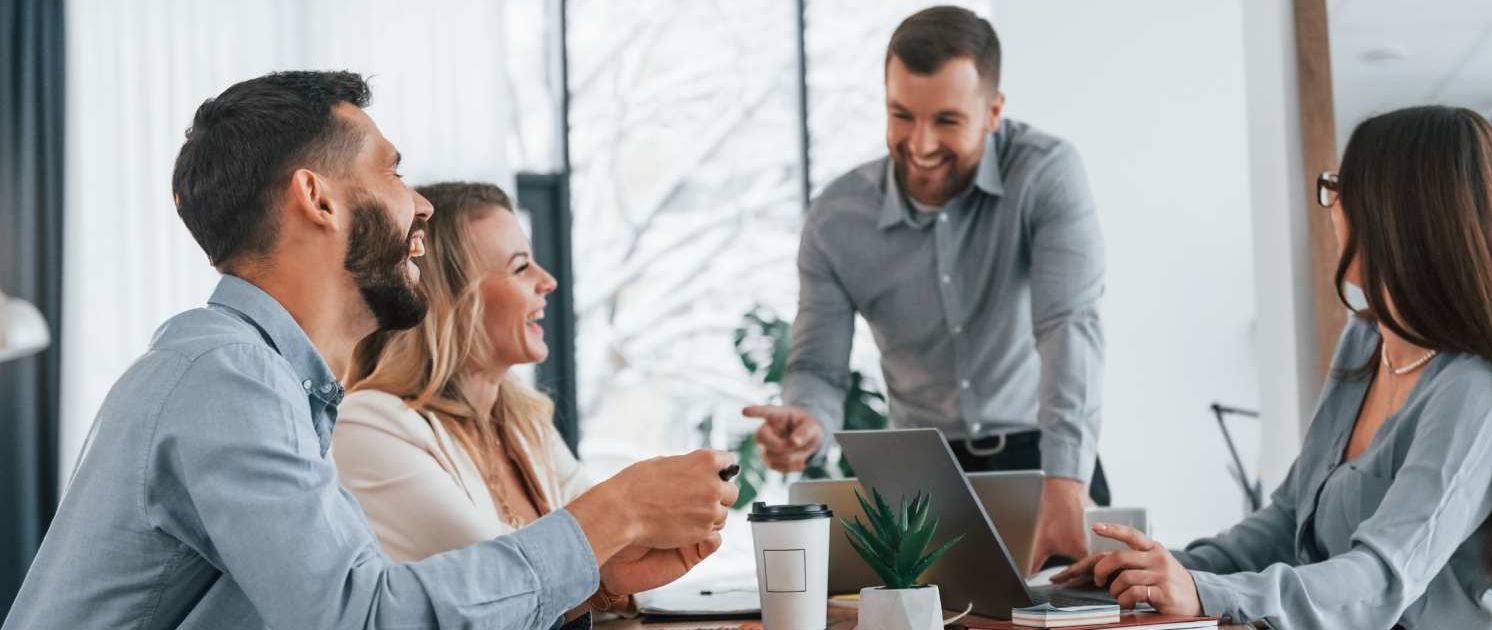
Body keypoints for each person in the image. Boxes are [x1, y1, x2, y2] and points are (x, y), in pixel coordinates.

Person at [2, 71, 738, 630]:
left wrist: (596, 571)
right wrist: (611, 517)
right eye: (391, 170)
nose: (420, 203)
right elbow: (360, 617)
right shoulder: (227, 374)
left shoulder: (271, 384)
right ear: (317, 199)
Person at [1050, 106, 1492, 629]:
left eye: (1339, 187)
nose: (1331, 205)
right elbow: (1289, 517)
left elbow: (1382, 578)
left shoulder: (1471, 389)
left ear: (1393, 213)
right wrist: (1161, 568)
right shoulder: (1364, 342)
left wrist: (1204, 590)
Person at [744, 5, 1106, 572]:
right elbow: (818, 367)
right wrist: (806, 419)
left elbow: (1067, 326)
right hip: (920, 479)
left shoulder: (1045, 173)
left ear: (993, 111)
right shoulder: (838, 219)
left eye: (947, 121)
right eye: (901, 115)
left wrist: (1065, 481)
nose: (920, 144)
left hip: (1046, 461)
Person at [334, 181, 710, 618]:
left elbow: (614, 558)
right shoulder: (369, 426)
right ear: (450, 299)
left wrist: (619, 570)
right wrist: (625, 515)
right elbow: (500, 587)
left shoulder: (520, 421)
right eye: (520, 267)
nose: (547, 281)